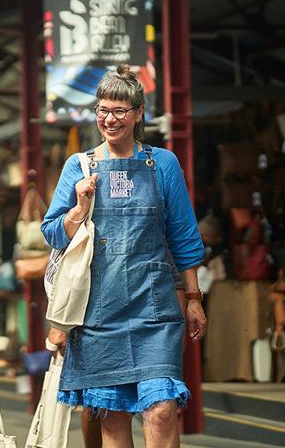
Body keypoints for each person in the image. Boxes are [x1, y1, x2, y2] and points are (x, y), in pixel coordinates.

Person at [41, 65, 207, 448]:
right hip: (99, 309)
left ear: (138, 113)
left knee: (162, 408)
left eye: (118, 111)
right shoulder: (79, 166)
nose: (109, 119)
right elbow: (51, 232)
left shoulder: (162, 163)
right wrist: (78, 208)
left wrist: (195, 299)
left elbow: (183, 235)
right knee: (113, 417)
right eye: (102, 110)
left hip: (155, 309)